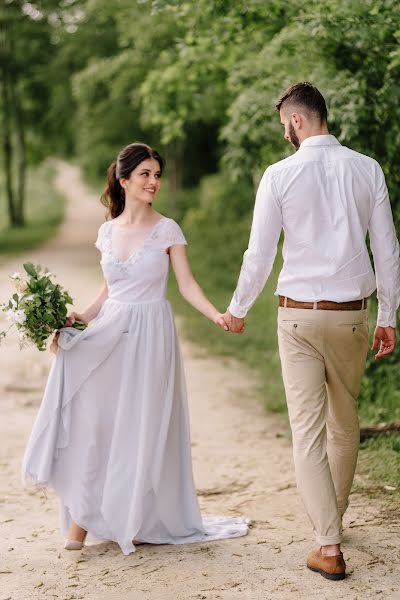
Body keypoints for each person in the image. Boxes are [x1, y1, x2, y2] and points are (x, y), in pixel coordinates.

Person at [22, 142, 249, 555]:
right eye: (145, 174)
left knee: (140, 426)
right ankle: (80, 522)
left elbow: (187, 285)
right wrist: (76, 319)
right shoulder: (107, 232)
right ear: (124, 180)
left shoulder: (168, 229)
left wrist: (216, 314)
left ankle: (136, 518)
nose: (154, 182)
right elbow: (110, 291)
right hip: (111, 330)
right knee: (95, 423)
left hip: (151, 334)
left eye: (157, 175)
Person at [223, 82, 400, 580]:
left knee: (308, 431)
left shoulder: (279, 175)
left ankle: (329, 544)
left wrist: (238, 308)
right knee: (345, 422)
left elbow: (259, 255)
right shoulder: (367, 169)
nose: (285, 133)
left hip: (297, 315)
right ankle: (334, 519)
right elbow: (387, 249)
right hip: (352, 316)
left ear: (298, 120)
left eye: (285, 125)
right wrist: (387, 316)